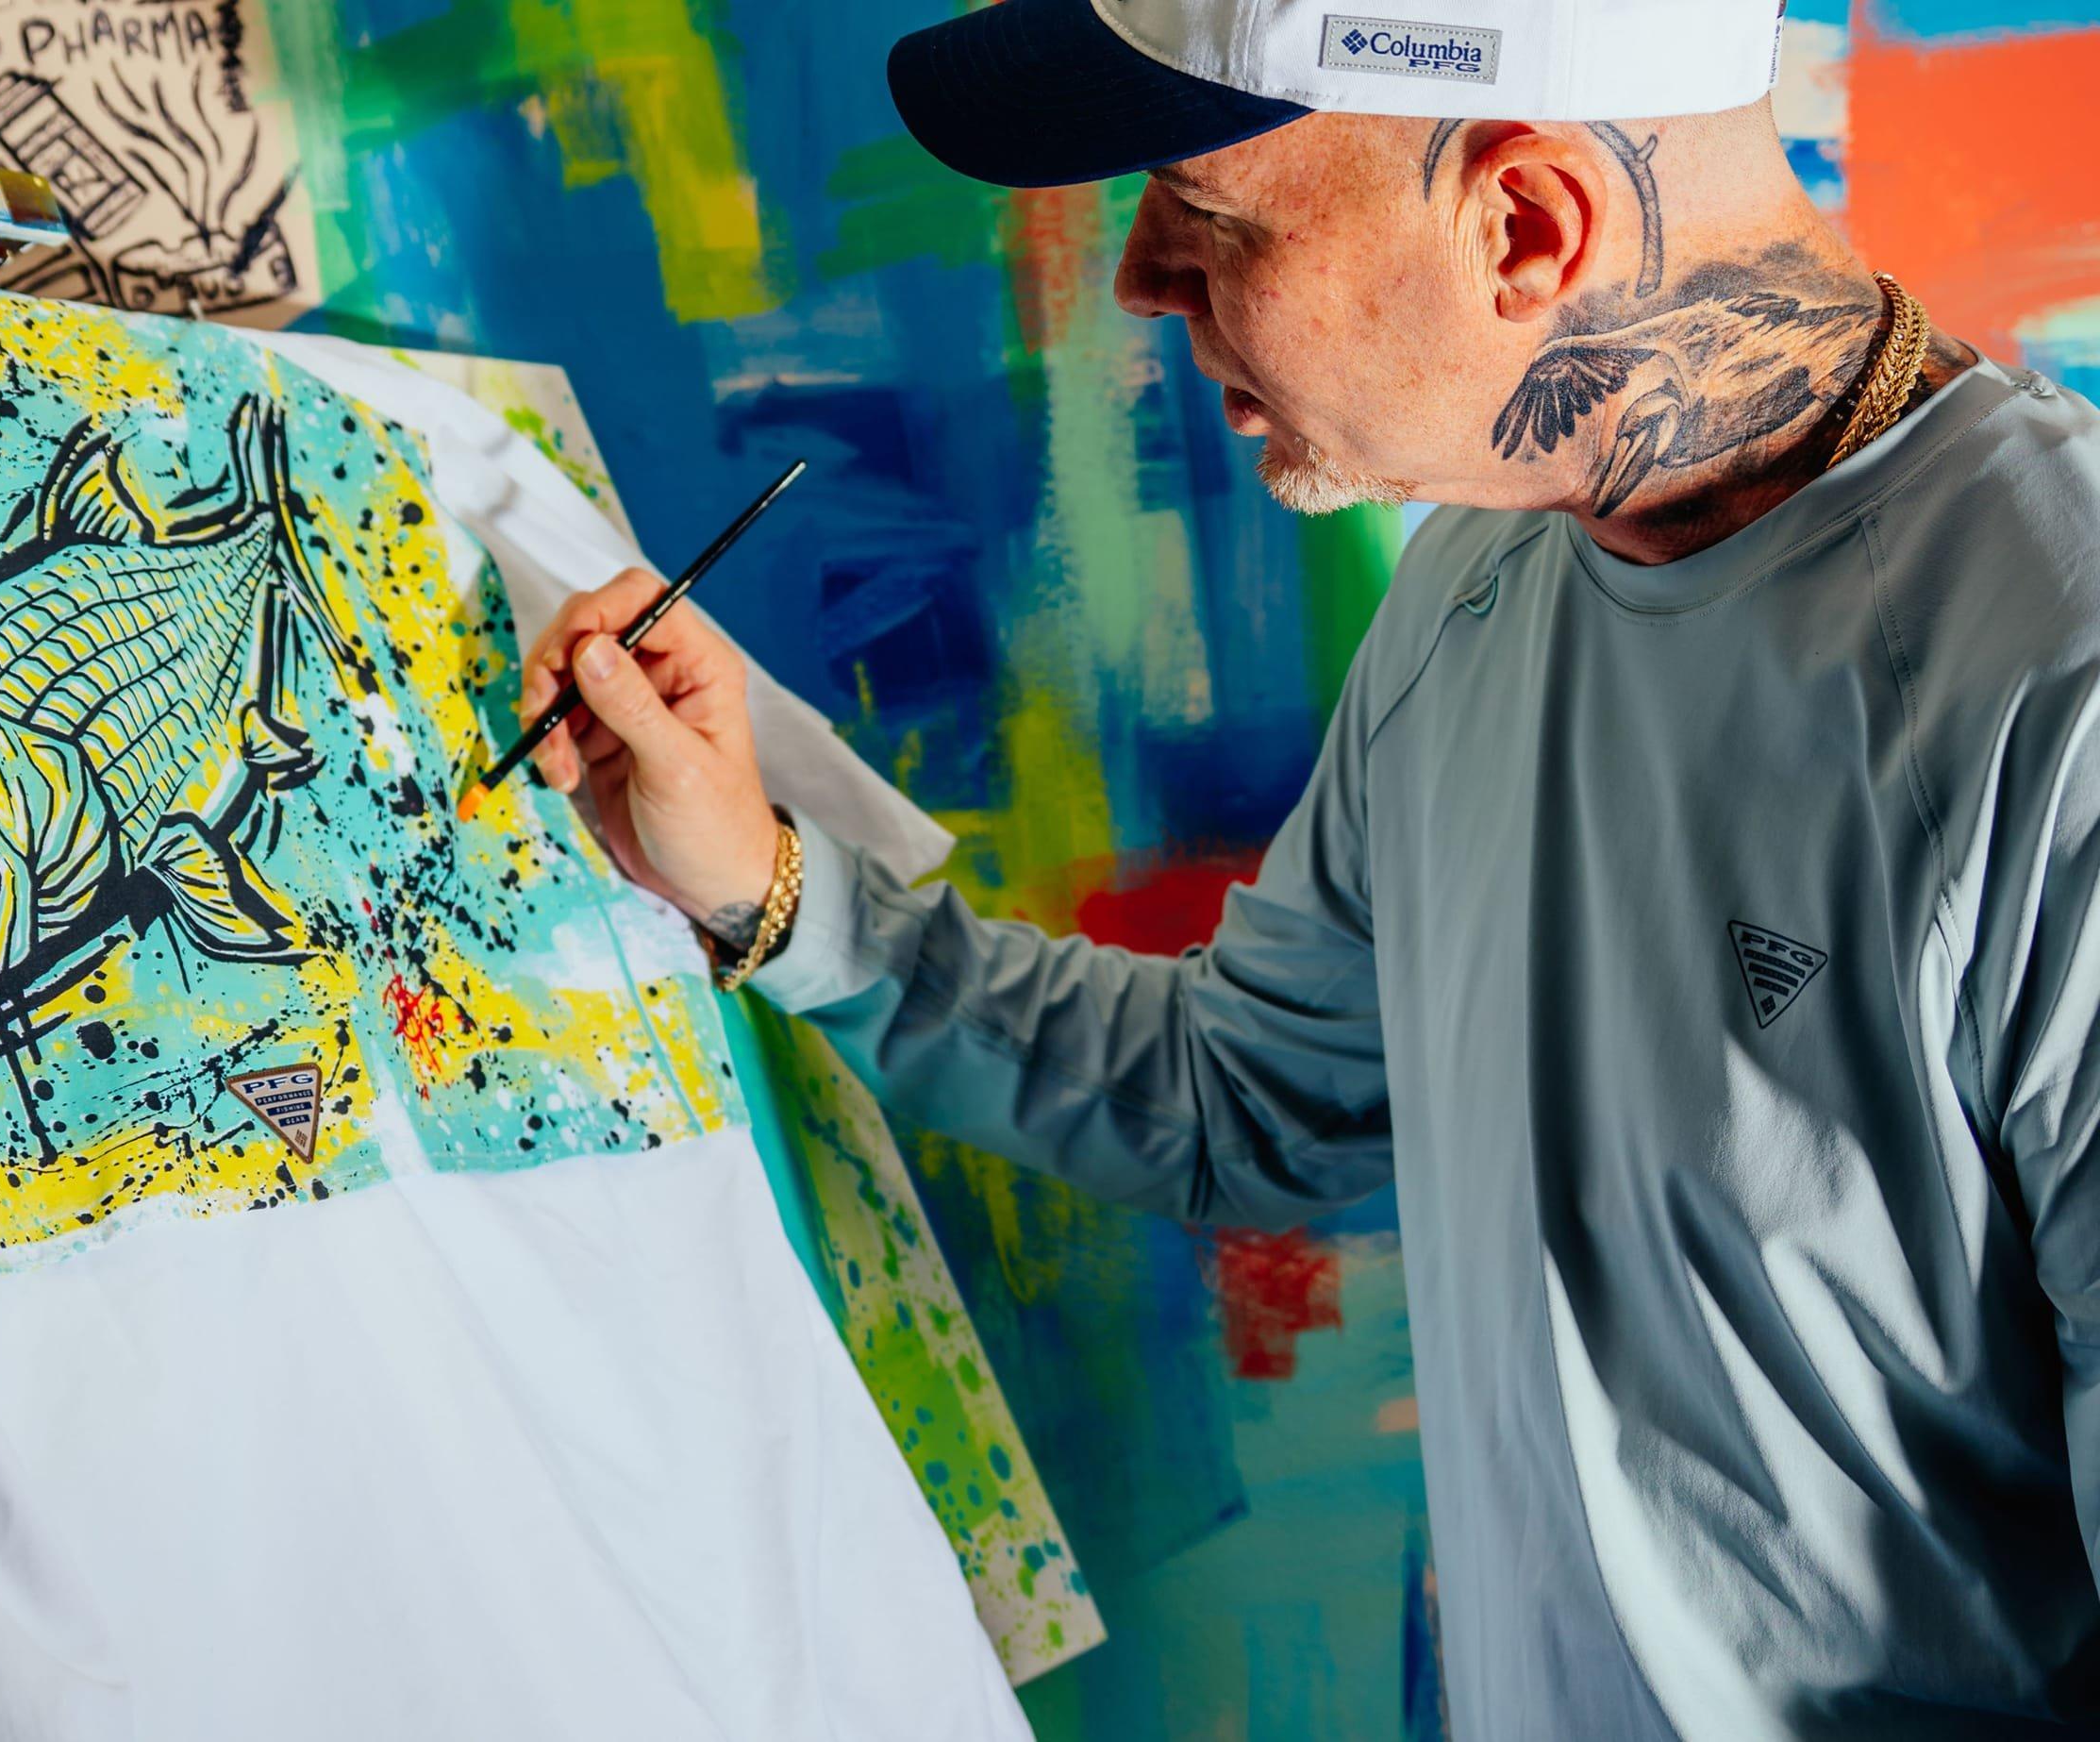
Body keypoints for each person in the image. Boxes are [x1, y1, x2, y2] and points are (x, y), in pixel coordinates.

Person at [518, 0, 2100, 1735]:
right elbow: (1244, 1097)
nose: (1138, 280)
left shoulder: (2060, 696)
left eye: (1210, 224)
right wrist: (766, 886)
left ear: (1525, 226)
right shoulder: (1471, 596)